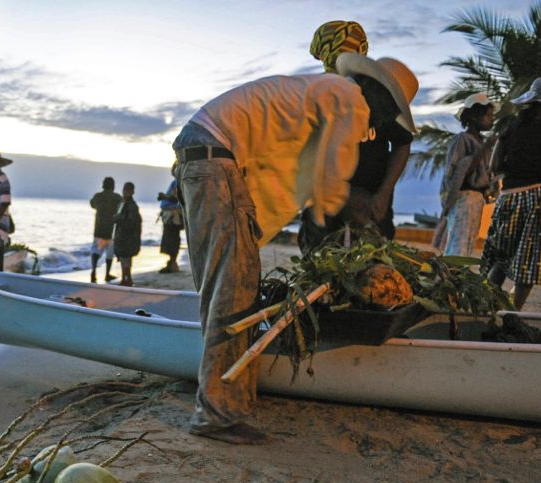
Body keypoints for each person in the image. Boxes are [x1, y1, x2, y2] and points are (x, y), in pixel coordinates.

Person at [173, 54, 417, 445]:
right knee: (234, 287)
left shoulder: (326, 92)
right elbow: (328, 182)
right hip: (214, 156)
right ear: (380, 96)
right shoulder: (351, 100)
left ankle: (218, 396)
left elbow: (296, 172)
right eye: (388, 114)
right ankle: (217, 415)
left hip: (204, 153)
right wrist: (364, 214)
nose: (382, 125)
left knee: (225, 283)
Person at [298, 47, 416, 254]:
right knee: (320, 257)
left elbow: (402, 144)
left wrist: (383, 194)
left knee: (375, 259)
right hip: (324, 198)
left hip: (372, 202)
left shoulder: (386, 110)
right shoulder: (332, 100)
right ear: (376, 88)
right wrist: (347, 195)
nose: (387, 114)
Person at [481, 76, 541, 310]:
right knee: (530, 259)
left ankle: (486, 305)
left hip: (509, 197)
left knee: (501, 256)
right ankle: (511, 313)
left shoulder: (510, 127)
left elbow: (495, 166)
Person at [435, 93, 497, 256]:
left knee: (468, 244)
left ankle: (456, 276)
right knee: (458, 244)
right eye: (488, 115)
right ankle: (451, 276)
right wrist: (484, 150)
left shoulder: (485, 143)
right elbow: (457, 173)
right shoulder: (462, 140)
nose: (492, 120)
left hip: (477, 198)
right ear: (475, 117)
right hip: (463, 198)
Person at [89, 177, 122, 282]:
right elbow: (121, 210)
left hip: (99, 229)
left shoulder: (97, 196)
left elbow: (92, 204)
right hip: (111, 230)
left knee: (96, 251)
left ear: (103, 185)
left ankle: (93, 271)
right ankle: (107, 274)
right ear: (113, 186)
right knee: (109, 253)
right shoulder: (117, 197)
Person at [112, 182, 142, 286]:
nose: (125, 192)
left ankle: (127, 278)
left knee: (126, 258)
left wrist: (119, 219)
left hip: (128, 236)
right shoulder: (122, 203)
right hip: (121, 235)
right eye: (124, 190)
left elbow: (132, 223)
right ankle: (125, 278)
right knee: (123, 257)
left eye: (128, 190)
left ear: (132, 192)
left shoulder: (132, 206)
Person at [157, 167, 183, 273]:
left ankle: (172, 263)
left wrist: (165, 197)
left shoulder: (179, 183)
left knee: (172, 239)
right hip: (170, 216)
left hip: (174, 216)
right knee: (170, 239)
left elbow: (178, 198)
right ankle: (172, 263)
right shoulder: (176, 182)